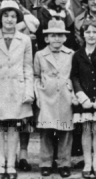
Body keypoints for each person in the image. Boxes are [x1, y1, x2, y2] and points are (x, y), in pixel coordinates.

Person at [0, 0, 35, 179]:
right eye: (6, 16)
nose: (9, 20)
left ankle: (11, 164)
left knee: (13, 127)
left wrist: (29, 91)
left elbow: (28, 67)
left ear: (18, 19)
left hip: (16, 89)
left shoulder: (25, 40)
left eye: (13, 16)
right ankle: (0, 164)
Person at [33, 18, 75, 177]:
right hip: (46, 96)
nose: (56, 39)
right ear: (46, 38)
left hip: (65, 95)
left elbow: (74, 75)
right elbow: (36, 75)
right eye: (52, 35)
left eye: (60, 35)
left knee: (65, 130)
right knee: (46, 131)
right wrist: (38, 93)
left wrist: (72, 90)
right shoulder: (40, 55)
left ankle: (64, 163)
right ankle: (46, 163)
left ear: (65, 38)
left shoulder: (71, 54)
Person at [71, 23, 96, 178]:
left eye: (95, 32)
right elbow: (74, 76)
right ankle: (87, 163)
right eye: (88, 32)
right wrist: (81, 95)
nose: (91, 35)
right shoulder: (77, 54)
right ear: (83, 35)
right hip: (85, 98)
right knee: (86, 130)